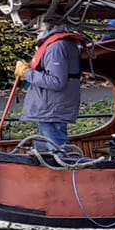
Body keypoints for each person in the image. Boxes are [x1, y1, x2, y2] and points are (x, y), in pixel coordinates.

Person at [17, 17, 83, 154]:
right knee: (46, 155)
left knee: (57, 156)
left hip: (51, 109)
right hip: (50, 109)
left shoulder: (56, 47)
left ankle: (64, 174)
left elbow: (56, 81)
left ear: (48, 26)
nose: (35, 26)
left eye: (38, 23)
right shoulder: (63, 43)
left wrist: (26, 73)